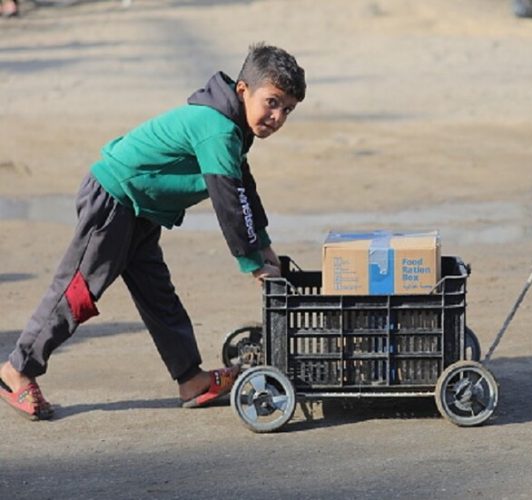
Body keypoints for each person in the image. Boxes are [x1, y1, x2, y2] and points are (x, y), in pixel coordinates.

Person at [0, 42, 306, 420]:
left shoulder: (233, 127)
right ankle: (18, 368)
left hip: (141, 210)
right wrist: (252, 262)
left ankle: (190, 379)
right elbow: (228, 199)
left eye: (287, 109)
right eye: (272, 102)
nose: (277, 116)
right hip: (114, 199)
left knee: (159, 296)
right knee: (78, 292)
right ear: (243, 90)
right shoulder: (218, 128)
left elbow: (244, 187)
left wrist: (265, 245)